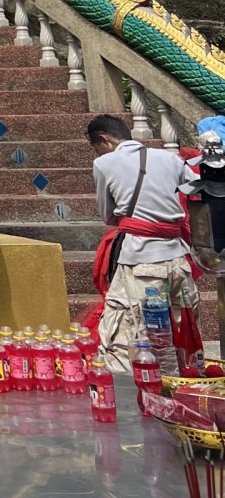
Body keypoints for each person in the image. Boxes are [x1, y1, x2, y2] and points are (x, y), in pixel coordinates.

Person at [86, 113, 201, 374]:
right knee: (183, 331)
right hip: (177, 259)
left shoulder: (105, 164)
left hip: (140, 259)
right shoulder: (170, 158)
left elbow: (108, 215)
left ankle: (139, 393)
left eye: (96, 148)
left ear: (104, 140)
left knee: (134, 331)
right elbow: (195, 189)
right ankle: (186, 383)